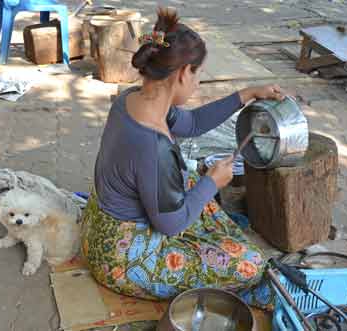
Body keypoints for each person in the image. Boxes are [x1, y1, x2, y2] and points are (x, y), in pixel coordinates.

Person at [80, 7, 285, 305]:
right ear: (180, 74)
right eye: (198, 73)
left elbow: (192, 124)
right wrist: (213, 183)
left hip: (99, 226)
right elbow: (171, 225)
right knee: (250, 264)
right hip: (120, 258)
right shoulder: (152, 146)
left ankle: (213, 240)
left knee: (192, 182)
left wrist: (248, 94)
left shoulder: (130, 100)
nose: (198, 82)